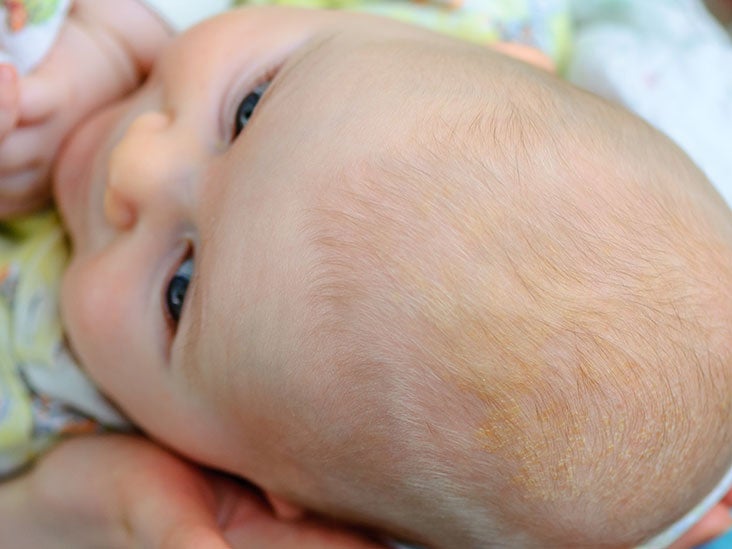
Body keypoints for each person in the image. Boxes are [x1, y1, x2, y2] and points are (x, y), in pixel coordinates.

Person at [3, 3, 732, 548]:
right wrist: (112, 39)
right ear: (505, 53)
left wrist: (61, 506)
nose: (137, 162)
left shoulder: (58, 406)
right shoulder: (437, 38)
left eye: (180, 288)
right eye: (248, 109)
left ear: (265, 484)